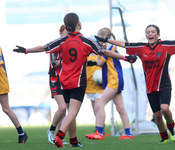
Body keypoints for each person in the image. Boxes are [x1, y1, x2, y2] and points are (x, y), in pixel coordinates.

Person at [13, 12, 137, 148]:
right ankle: (59, 136)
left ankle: (73, 141)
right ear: (79, 24)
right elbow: (105, 52)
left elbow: (43, 47)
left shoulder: (62, 40)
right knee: (72, 112)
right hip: (78, 81)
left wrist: (26, 50)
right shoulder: (86, 41)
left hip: (63, 81)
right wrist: (126, 58)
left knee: (69, 111)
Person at [95, 24, 175, 143]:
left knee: (165, 108)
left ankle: (171, 126)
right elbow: (124, 44)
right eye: (148, 32)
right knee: (158, 115)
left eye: (153, 32)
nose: (150, 34)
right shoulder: (141, 47)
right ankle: (164, 137)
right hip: (150, 87)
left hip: (164, 84)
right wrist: (107, 40)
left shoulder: (165, 46)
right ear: (146, 35)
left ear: (158, 35)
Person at [85, 28, 134, 140]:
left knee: (99, 104)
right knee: (120, 108)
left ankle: (99, 132)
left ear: (102, 37)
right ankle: (128, 133)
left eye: (98, 38)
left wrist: (91, 60)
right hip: (114, 79)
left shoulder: (108, 46)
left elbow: (100, 62)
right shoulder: (108, 46)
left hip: (114, 79)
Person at [0, 46, 28, 143]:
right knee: (6, 108)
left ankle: (21, 133)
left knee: (6, 108)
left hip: (1, 81)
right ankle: (22, 133)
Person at [47, 25, 68, 145]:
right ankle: (51, 131)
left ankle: (59, 137)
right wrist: (69, 58)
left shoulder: (69, 45)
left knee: (64, 110)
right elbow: (54, 63)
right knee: (62, 107)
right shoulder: (56, 45)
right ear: (61, 32)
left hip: (66, 80)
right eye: (66, 32)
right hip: (55, 79)